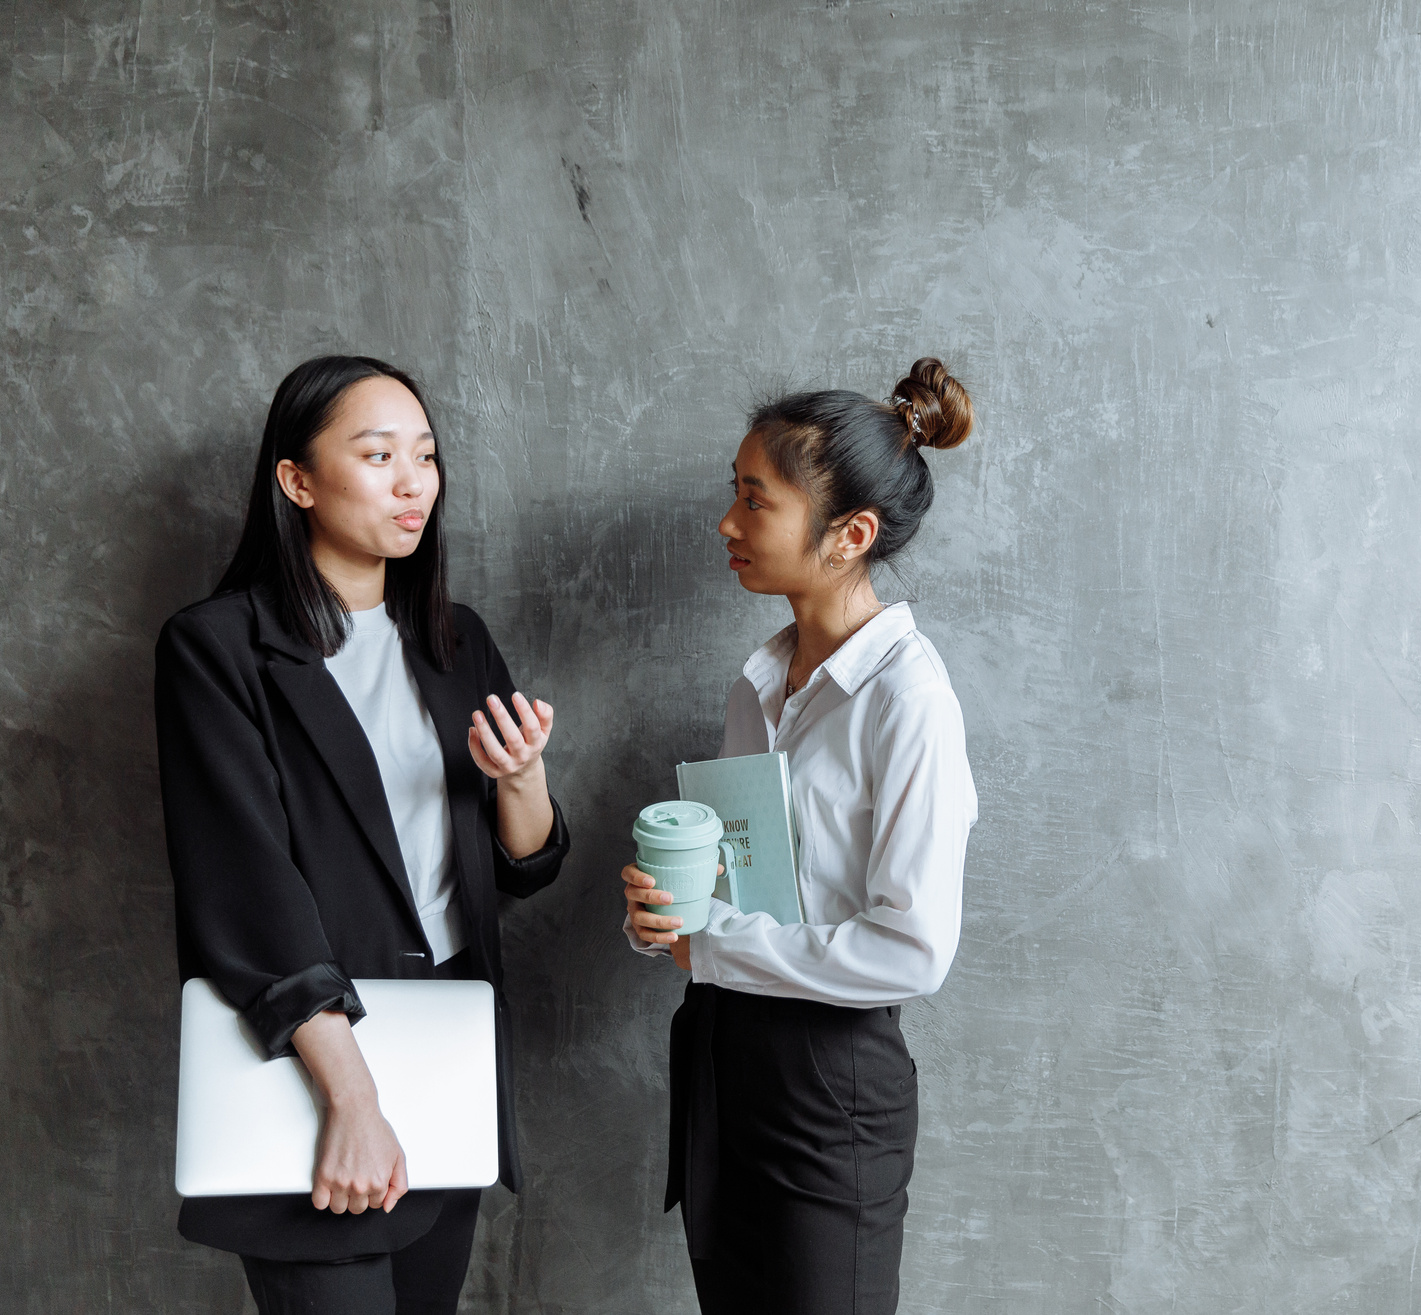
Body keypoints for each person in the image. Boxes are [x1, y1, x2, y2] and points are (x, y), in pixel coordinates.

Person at [155, 355, 569, 1314]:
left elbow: (522, 865)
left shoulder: (455, 640)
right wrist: (351, 1098)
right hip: (311, 1058)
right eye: (378, 454)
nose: (412, 480)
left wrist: (524, 780)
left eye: (424, 455)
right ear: (296, 481)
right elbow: (243, 888)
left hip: (444, 1051)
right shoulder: (217, 648)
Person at [622, 357, 980, 1314]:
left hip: (832, 1091)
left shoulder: (909, 698)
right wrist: (670, 911)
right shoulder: (762, 680)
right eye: (732, 495)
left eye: (755, 500)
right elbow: (755, 887)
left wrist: (712, 942)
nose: (728, 525)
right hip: (725, 1065)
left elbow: (913, 947)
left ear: (849, 535)